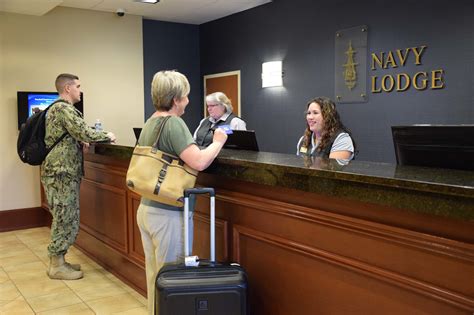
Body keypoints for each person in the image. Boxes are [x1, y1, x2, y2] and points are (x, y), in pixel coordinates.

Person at [136, 70, 228, 314]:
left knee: (155, 275)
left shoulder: (151, 121)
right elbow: (198, 161)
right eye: (186, 96)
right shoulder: (174, 123)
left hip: (147, 208)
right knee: (173, 280)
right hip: (166, 213)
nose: (188, 100)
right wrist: (218, 141)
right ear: (176, 99)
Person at [41, 73, 116, 280]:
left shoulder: (57, 109)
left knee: (66, 216)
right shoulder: (63, 108)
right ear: (67, 88)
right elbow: (85, 132)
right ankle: (56, 265)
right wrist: (107, 135)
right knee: (65, 217)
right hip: (61, 173)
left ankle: (60, 260)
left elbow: (72, 134)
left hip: (61, 173)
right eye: (78, 86)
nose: (80, 90)